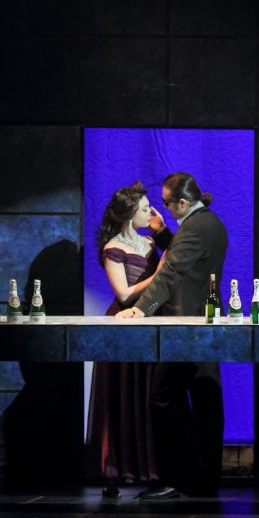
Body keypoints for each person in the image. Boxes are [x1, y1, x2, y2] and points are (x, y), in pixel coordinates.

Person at [121, 173, 228, 501]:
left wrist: (142, 309)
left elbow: (172, 271)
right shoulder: (210, 223)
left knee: (164, 396)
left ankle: (175, 479)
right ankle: (204, 481)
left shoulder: (194, 228)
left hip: (187, 327)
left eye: (167, 203)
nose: (164, 208)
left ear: (182, 201)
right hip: (205, 322)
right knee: (205, 398)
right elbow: (191, 260)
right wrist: (163, 234)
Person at [87, 181, 163, 497]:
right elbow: (123, 293)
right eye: (145, 209)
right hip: (123, 325)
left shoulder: (149, 242)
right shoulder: (113, 248)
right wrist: (159, 274)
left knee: (145, 393)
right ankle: (114, 472)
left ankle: (150, 470)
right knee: (121, 394)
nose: (151, 213)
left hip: (147, 322)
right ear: (131, 213)